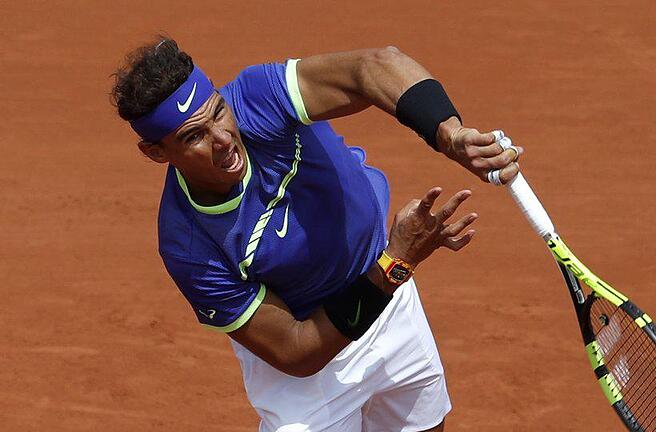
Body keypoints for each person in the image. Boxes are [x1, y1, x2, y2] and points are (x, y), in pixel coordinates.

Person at [110, 36, 522, 432]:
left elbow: (374, 67)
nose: (223, 140)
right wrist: (397, 262)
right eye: (193, 136)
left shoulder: (256, 100)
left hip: (390, 305)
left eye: (218, 111)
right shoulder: (189, 244)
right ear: (156, 152)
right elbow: (296, 350)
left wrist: (448, 134)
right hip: (312, 369)